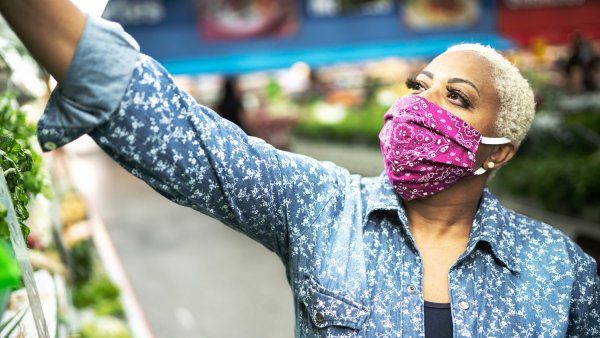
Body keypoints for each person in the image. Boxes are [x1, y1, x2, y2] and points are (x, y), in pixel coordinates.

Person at [1, 1, 598, 337]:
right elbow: (160, 120)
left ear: (500, 151)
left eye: (457, 98)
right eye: (419, 86)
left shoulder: (560, 271)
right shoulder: (321, 206)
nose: (421, 105)